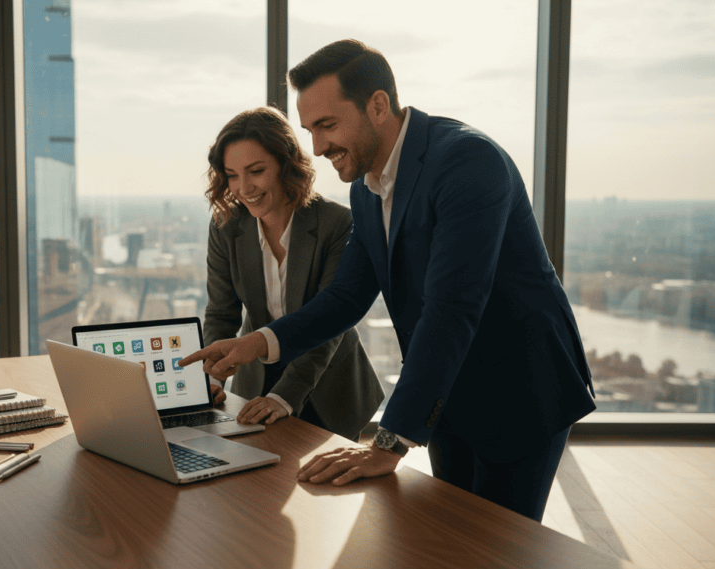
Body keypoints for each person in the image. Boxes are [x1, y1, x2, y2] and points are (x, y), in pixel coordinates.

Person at [182, 40, 596, 522]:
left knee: (500, 554)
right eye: (310, 129)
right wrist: (258, 343)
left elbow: (450, 309)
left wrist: (387, 443)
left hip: (519, 388)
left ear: (377, 105)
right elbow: (345, 297)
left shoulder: (468, 162)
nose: (316, 147)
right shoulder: (366, 187)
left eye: (327, 125)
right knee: (451, 542)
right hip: (447, 395)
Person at [202, 106, 384, 441]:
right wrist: (211, 381)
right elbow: (220, 312)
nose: (243, 188)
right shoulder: (226, 226)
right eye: (231, 175)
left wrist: (284, 396)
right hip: (255, 380)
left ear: (286, 165)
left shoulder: (336, 223)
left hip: (329, 385)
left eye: (255, 171)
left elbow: (331, 321)